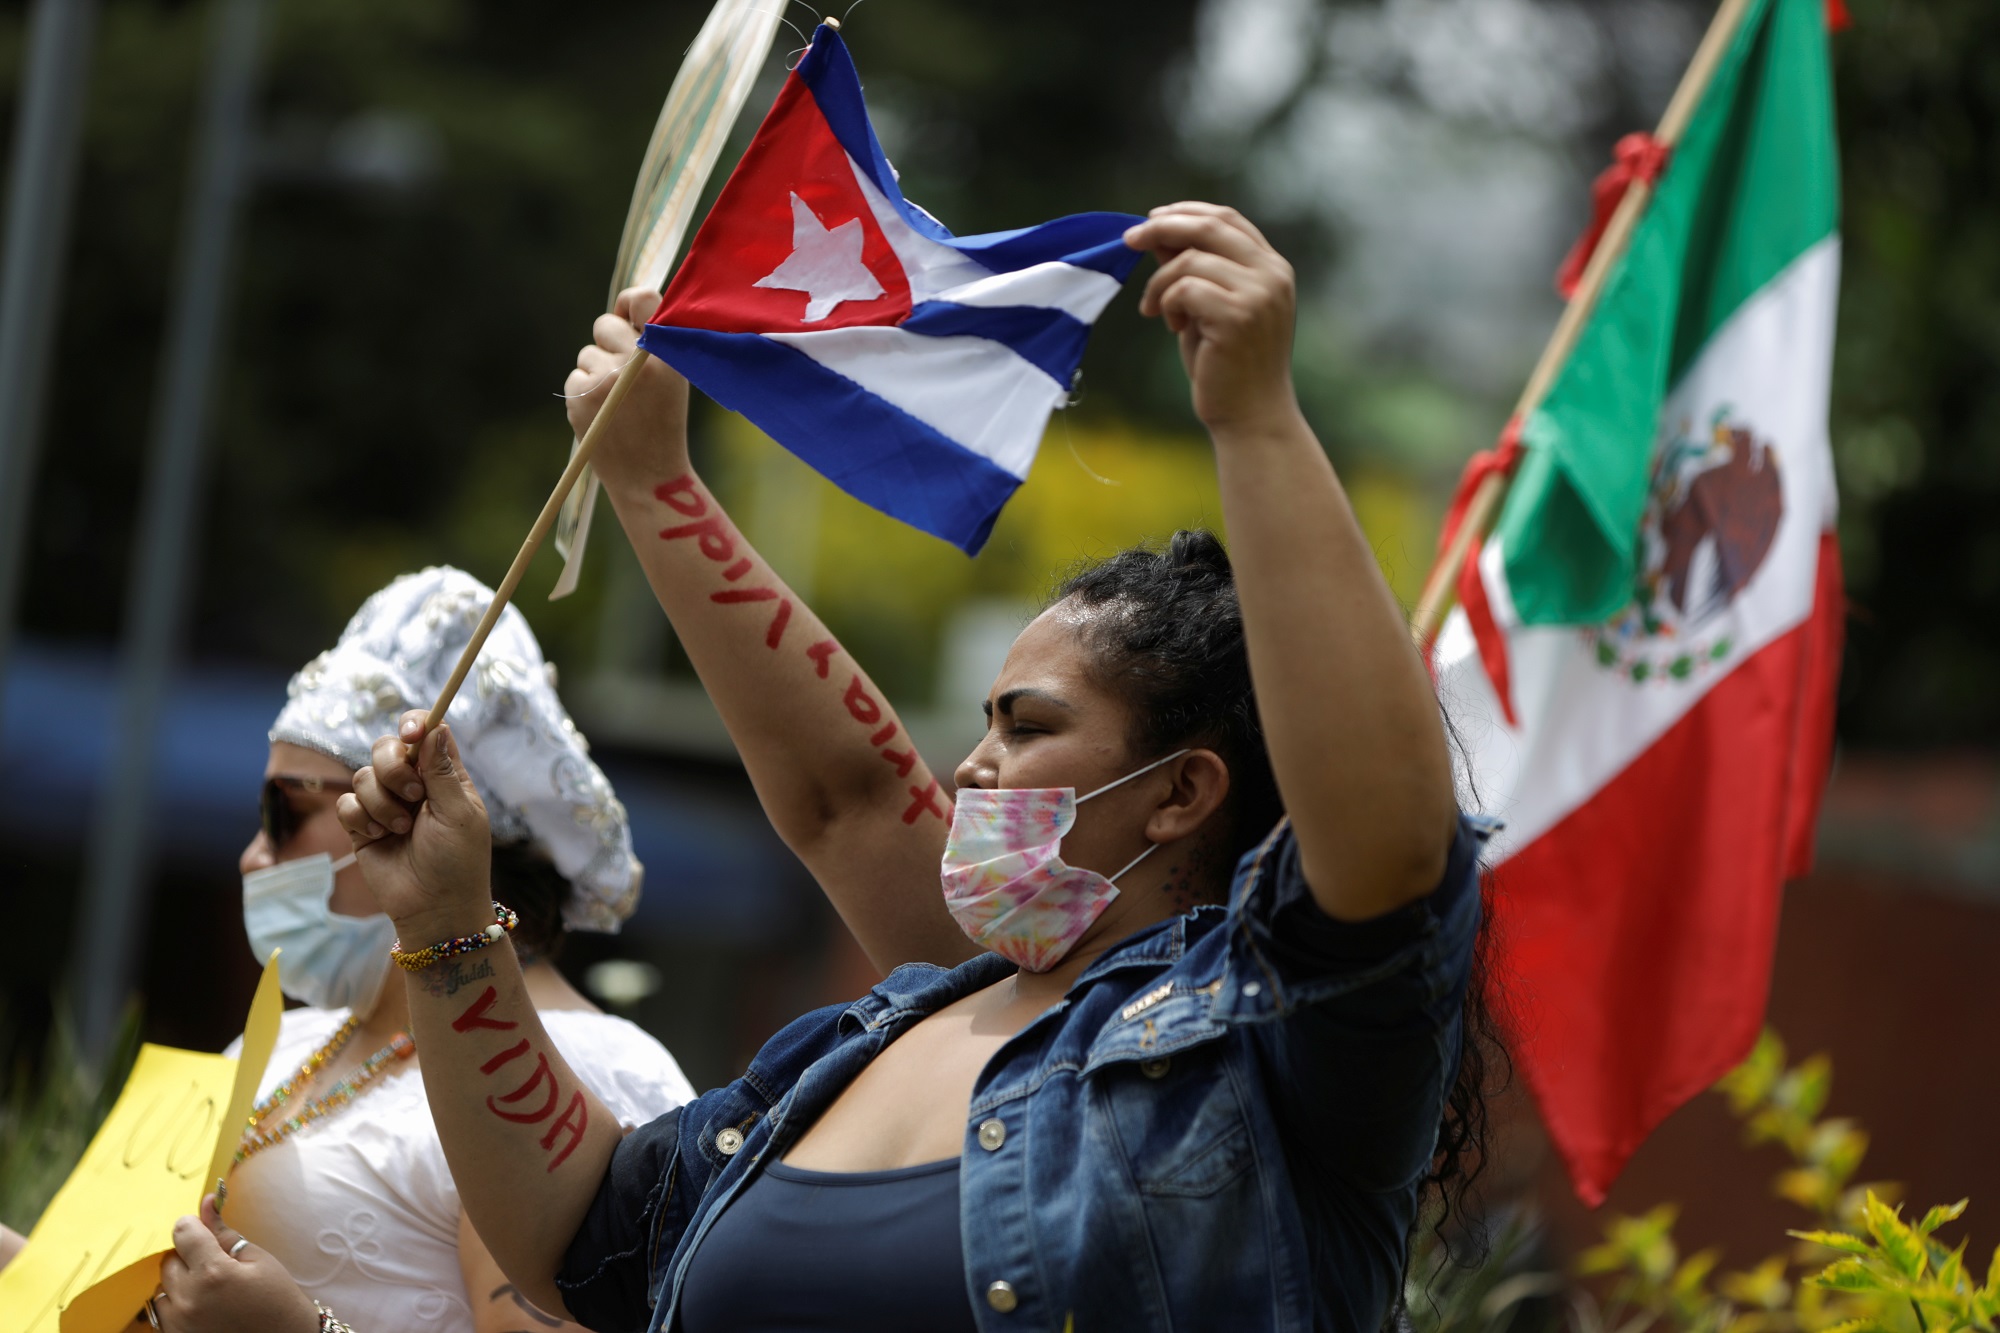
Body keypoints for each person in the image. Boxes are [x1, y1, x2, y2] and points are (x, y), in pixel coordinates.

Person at [324, 201, 1489, 1332]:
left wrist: (1256, 420)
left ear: (1181, 791)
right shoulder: (871, 1037)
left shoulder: (1269, 1049)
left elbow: (1387, 844)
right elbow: (576, 1237)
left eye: (1027, 728)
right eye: (983, 723)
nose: (970, 768)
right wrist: (445, 921)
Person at [148, 567, 694, 1333]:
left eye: (289, 811)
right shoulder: (291, 1037)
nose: (251, 855)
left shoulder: (583, 1073)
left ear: (433, 820)